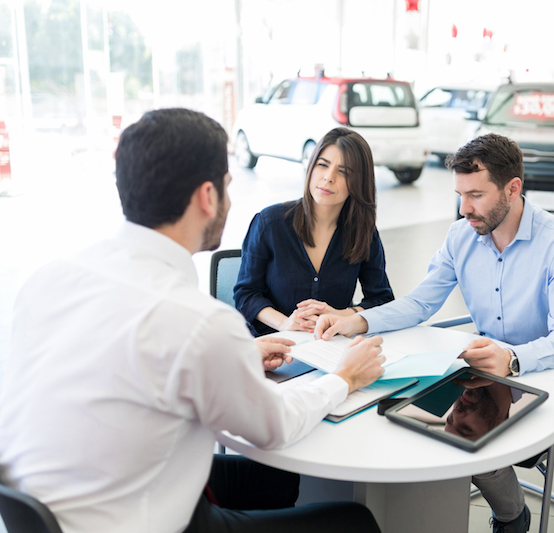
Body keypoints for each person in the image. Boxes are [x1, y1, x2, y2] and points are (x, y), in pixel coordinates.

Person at [0, 108, 387, 533]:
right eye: (228, 185)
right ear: (208, 196)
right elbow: (274, 427)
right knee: (354, 521)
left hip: (61, 509)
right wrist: (345, 378)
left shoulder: (48, 279)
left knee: (274, 478)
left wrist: (236, 354)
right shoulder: (196, 321)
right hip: (144, 521)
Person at [315, 133, 554, 533]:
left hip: (542, 370)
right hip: (483, 368)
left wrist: (512, 359)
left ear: (513, 189)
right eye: (460, 194)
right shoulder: (462, 235)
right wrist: (355, 320)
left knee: (465, 436)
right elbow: (421, 303)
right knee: (405, 410)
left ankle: (513, 518)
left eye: (476, 195)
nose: (465, 209)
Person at [235, 127, 393, 336]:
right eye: (322, 165)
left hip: (331, 345)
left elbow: (382, 300)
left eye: (343, 172)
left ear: (358, 183)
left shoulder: (363, 232)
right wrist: (285, 324)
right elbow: (246, 294)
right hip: (272, 344)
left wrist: (341, 315)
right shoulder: (269, 224)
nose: (328, 177)